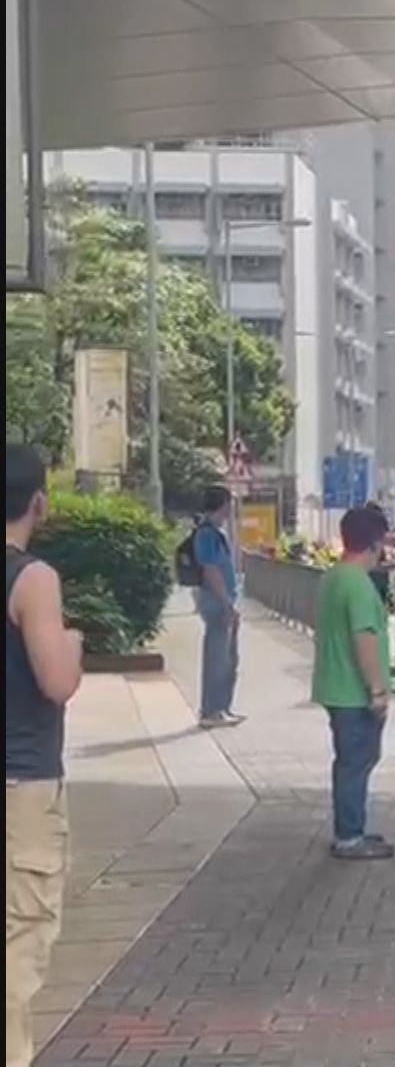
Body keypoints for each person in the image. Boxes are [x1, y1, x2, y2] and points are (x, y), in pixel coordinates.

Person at [6, 445, 85, 1067]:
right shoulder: (32, 578)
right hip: (21, 788)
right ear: (38, 501)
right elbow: (56, 680)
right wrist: (73, 643)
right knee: (15, 952)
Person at [311, 505, 395, 861]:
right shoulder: (359, 585)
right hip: (353, 691)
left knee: (352, 760)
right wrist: (377, 690)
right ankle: (349, 836)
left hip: (334, 685)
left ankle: (353, 827)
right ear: (376, 543)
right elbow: (365, 639)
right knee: (355, 761)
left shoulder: (333, 577)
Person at [190, 486, 244, 729]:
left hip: (223, 600)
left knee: (228, 657)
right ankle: (212, 710)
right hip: (216, 602)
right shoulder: (207, 534)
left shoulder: (214, 532)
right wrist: (226, 603)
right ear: (222, 505)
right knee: (218, 657)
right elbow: (211, 570)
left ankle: (221, 707)